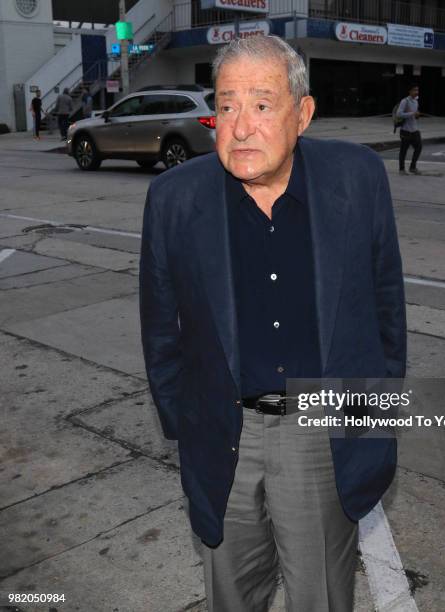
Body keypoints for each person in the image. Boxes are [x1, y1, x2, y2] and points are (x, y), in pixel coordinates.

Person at [140, 35, 406, 612]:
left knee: (321, 597)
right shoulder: (174, 199)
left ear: (303, 113)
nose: (239, 127)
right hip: (221, 432)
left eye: (261, 105)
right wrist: (187, 422)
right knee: (232, 597)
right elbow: (160, 331)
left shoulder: (358, 180)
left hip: (323, 429)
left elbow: (387, 311)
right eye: (227, 104)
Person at [397, 84, 422, 175]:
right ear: (409, 91)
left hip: (414, 130)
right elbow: (399, 114)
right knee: (403, 150)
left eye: (417, 90)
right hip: (405, 130)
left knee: (419, 148)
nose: (416, 92)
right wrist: (412, 113)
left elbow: (414, 115)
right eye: (414, 90)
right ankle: (401, 169)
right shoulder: (405, 101)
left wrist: (417, 115)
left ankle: (413, 167)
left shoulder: (416, 101)